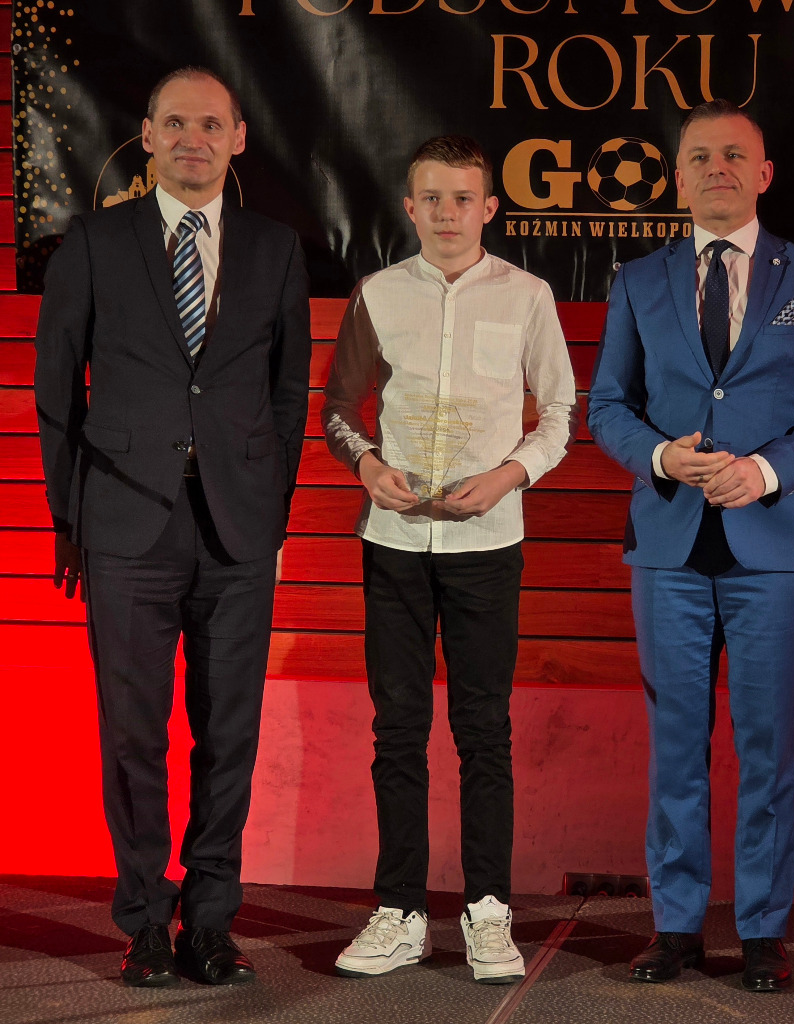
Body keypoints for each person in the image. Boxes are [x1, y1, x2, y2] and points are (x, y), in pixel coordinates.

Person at [34, 67, 311, 987]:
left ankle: (212, 923)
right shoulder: (94, 241)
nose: (195, 138)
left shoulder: (275, 247)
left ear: (239, 139)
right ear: (147, 136)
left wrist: (272, 511)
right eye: (176, 123)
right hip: (125, 526)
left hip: (238, 532)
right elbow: (56, 391)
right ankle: (147, 920)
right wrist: (72, 519)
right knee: (133, 735)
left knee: (229, 734)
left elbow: (286, 391)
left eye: (212, 124)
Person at [587, 99, 794, 992]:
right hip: (667, 549)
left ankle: (761, 933)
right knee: (676, 745)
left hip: (772, 552)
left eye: (735, 155)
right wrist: (660, 456)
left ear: (764, 173)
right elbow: (607, 408)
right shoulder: (638, 280)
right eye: (701, 156)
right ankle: (675, 928)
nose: (718, 168)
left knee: (766, 748)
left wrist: (767, 471)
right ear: (677, 177)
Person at [321, 136, 576, 984]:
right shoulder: (377, 293)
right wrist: (367, 466)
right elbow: (338, 407)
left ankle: (488, 911)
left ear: (490, 207)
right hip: (393, 545)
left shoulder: (528, 295)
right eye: (431, 198)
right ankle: (399, 911)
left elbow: (560, 414)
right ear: (409, 207)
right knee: (397, 730)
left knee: (483, 731)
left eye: (463, 198)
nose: (447, 213)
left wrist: (508, 476)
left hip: (487, 546)